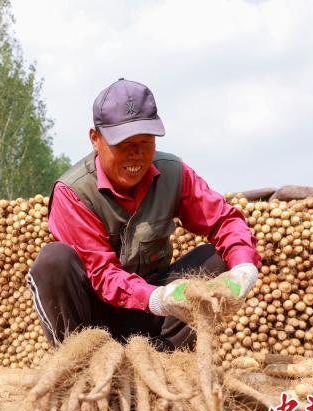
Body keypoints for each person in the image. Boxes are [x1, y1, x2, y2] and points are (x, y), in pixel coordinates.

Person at [27, 78, 261, 351]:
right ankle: (80, 366)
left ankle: (167, 361)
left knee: (220, 257)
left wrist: (244, 267)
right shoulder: (74, 193)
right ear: (95, 139)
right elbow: (102, 276)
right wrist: (158, 298)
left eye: (145, 142)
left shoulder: (174, 174)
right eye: (124, 144)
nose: (136, 155)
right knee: (54, 260)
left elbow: (224, 220)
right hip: (95, 317)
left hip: (154, 319)